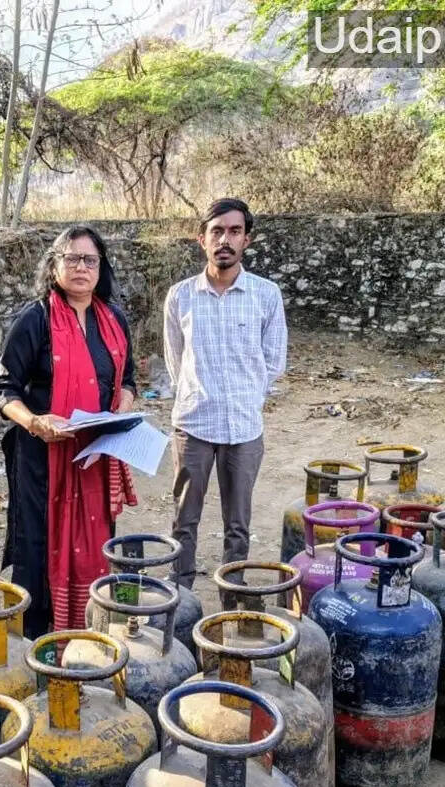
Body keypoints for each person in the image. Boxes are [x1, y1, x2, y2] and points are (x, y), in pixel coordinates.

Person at [0, 225, 139, 639]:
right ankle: (37, 640)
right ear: (54, 265)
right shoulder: (35, 319)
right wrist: (36, 422)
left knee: (97, 540)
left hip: (96, 455)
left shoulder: (113, 320)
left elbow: (127, 380)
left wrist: (120, 412)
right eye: (71, 258)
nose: (80, 267)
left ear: (100, 268)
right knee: (38, 547)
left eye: (89, 260)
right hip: (43, 458)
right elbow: (5, 389)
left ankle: (88, 628)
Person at [163, 197, 288, 606]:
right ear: (202, 239)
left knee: (238, 525)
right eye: (216, 231)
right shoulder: (180, 297)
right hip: (194, 426)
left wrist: (243, 395)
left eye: (234, 231)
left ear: (246, 240)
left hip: (243, 428)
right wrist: (202, 393)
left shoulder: (265, 296)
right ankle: (179, 603)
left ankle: (230, 601)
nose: (225, 240)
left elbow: (274, 361)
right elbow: (176, 361)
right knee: (184, 520)